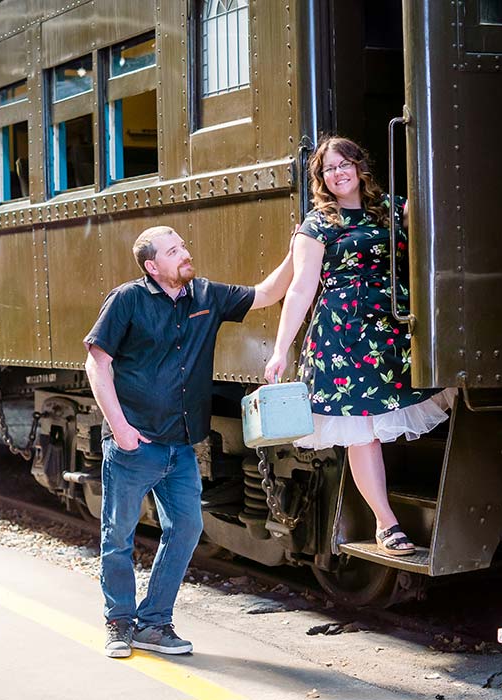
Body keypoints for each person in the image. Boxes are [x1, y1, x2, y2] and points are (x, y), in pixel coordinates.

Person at [85, 225, 293, 659]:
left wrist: (299, 248)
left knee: (186, 529)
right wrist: (121, 430)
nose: (185, 253)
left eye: (183, 246)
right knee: (118, 536)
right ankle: (119, 623)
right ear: (152, 265)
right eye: (174, 250)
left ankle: (155, 623)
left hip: (181, 447)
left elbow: (266, 293)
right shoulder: (127, 300)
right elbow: (96, 364)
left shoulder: (205, 295)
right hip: (134, 445)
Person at [264, 136, 454, 557]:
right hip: (343, 337)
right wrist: (281, 349)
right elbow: (300, 289)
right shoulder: (316, 225)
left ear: (359, 165)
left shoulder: (390, 208)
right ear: (322, 179)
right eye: (328, 169)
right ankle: (387, 524)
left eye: (344, 164)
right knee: (362, 433)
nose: (338, 173)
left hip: (394, 331)